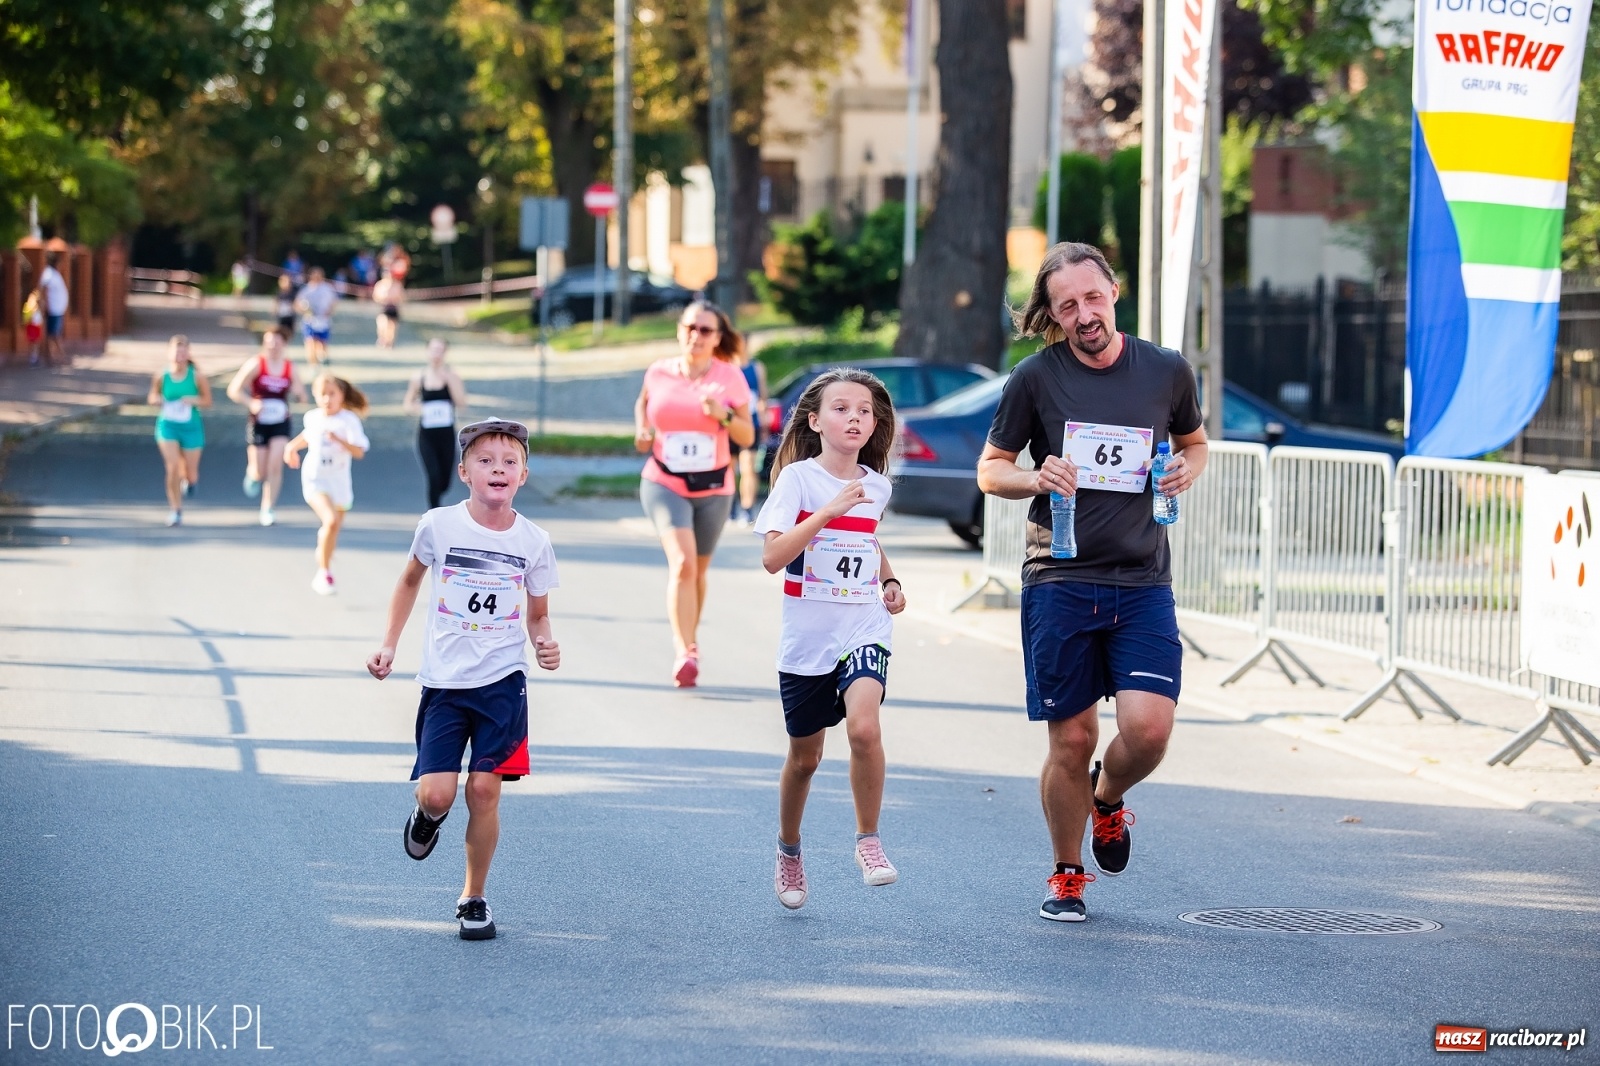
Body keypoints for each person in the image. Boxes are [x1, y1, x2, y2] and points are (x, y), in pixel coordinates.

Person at [975, 242, 1208, 923]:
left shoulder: (1164, 370)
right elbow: (992, 469)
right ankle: (1067, 873)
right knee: (1071, 740)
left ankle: (1106, 802)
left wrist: (1186, 469)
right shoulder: (1035, 379)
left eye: (1092, 297)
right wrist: (1034, 477)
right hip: (1061, 578)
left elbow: (1194, 443)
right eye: (1066, 305)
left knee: (1150, 730)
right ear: (1052, 315)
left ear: (1114, 291)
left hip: (1141, 579)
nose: (1083, 314)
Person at [366, 418, 562, 941]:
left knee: (483, 790)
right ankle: (427, 819)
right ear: (464, 472)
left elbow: (538, 614)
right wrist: (389, 643)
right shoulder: (438, 526)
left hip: (503, 683)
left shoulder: (534, 541)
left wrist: (544, 642)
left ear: (523, 474)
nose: (497, 469)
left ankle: (473, 897)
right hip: (446, 683)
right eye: (485, 461)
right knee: (436, 795)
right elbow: (408, 582)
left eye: (509, 462)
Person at [756, 368, 907, 910]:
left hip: (863, 625)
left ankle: (868, 840)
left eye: (864, 411)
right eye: (842, 408)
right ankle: (790, 850)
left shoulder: (877, 484)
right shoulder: (797, 481)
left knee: (865, 729)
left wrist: (887, 578)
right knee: (805, 759)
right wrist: (825, 511)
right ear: (816, 421)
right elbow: (773, 558)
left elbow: (866, 540)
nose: (855, 418)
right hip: (807, 640)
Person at [632, 301, 755, 687]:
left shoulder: (730, 377)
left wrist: (722, 415)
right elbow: (643, 404)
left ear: (718, 338)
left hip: (715, 487)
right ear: (679, 329)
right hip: (664, 481)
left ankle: (691, 641)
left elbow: (748, 436)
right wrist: (643, 431)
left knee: (698, 571)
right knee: (683, 564)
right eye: (690, 327)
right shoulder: (659, 371)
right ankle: (683, 649)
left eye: (705, 330)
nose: (695, 336)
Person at [285, 373, 370, 594]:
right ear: (315, 395)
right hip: (315, 478)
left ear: (341, 395)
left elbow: (359, 451)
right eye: (322, 394)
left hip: (339, 482)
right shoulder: (312, 417)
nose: (326, 399)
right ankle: (323, 573)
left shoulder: (348, 420)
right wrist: (290, 447)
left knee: (332, 530)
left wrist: (340, 440)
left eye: (332, 394)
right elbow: (307, 436)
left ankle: (324, 557)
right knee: (330, 521)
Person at [226, 328, 308, 526]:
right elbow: (234, 390)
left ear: (284, 344)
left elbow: (302, 397)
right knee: (259, 470)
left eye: (276, 343)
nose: (272, 346)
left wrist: (299, 393)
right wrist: (251, 403)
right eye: (268, 342)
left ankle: (268, 508)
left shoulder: (290, 368)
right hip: (259, 422)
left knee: (275, 465)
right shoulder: (256, 364)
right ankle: (253, 475)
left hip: (281, 421)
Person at [147, 335, 213, 527]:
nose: (179, 355)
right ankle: (175, 510)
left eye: (183, 352)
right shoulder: (161, 376)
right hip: (168, 425)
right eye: (176, 351)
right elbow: (152, 395)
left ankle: (190, 481)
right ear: (169, 353)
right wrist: (156, 400)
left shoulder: (196, 377)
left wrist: (193, 400)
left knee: (190, 473)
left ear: (188, 354)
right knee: (173, 467)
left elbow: (208, 401)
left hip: (191, 427)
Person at [403, 338, 469, 508]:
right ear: (427, 352)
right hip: (426, 435)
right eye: (433, 350)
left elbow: (461, 403)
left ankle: (437, 500)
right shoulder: (419, 377)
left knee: (445, 480)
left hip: (446, 434)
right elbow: (407, 404)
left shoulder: (451, 376)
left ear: (445, 353)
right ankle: (433, 512)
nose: (436, 354)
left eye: (440, 350)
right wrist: (420, 408)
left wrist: (450, 382)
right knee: (433, 476)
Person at [730, 343, 768, 525]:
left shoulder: (756, 368)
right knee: (729, 470)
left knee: (748, 468)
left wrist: (764, 424)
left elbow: (762, 398)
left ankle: (747, 508)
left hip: (751, 425)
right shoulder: (727, 368)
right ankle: (729, 509)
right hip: (729, 425)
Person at [295, 266, 339, 367]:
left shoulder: (327, 288)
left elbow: (334, 302)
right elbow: (297, 304)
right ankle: (313, 364)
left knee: (322, 343)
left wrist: (329, 311)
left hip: (323, 321)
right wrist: (304, 310)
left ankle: (323, 359)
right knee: (310, 342)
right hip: (310, 321)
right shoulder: (306, 290)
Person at [36, 252, 69, 367]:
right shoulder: (48, 274)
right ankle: (55, 358)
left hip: (57, 310)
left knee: (54, 333)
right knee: (53, 334)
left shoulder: (54, 274)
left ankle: (54, 357)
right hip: (52, 309)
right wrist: (45, 305)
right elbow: (43, 289)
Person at [372, 269, 405, 348]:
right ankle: (382, 339)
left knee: (392, 326)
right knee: (382, 324)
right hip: (384, 307)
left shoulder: (397, 285)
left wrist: (395, 299)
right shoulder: (380, 285)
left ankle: (390, 342)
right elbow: (375, 296)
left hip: (393, 307)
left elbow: (402, 297)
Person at [22, 288, 44, 367]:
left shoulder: (35, 308)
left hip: (35, 327)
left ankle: (33, 358)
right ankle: (33, 358)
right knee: (34, 343)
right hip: (33, 327)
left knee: (34, 343)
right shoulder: (32, 308)